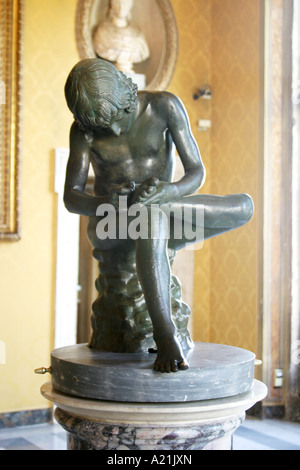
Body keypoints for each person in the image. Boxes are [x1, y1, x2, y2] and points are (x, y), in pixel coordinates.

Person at [64, 58, 253, 373]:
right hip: (111, 223)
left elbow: (196, 172)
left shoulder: (164, 107)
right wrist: (108, 201)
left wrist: (171, 191)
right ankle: (166, 335)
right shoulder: (83, 131)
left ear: (127, 99)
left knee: (244, 206)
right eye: (101, 128)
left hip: (163, 207)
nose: (110, 131)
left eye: (116, 121)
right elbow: (72, 197)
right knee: (151, 218)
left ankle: (158, 212)